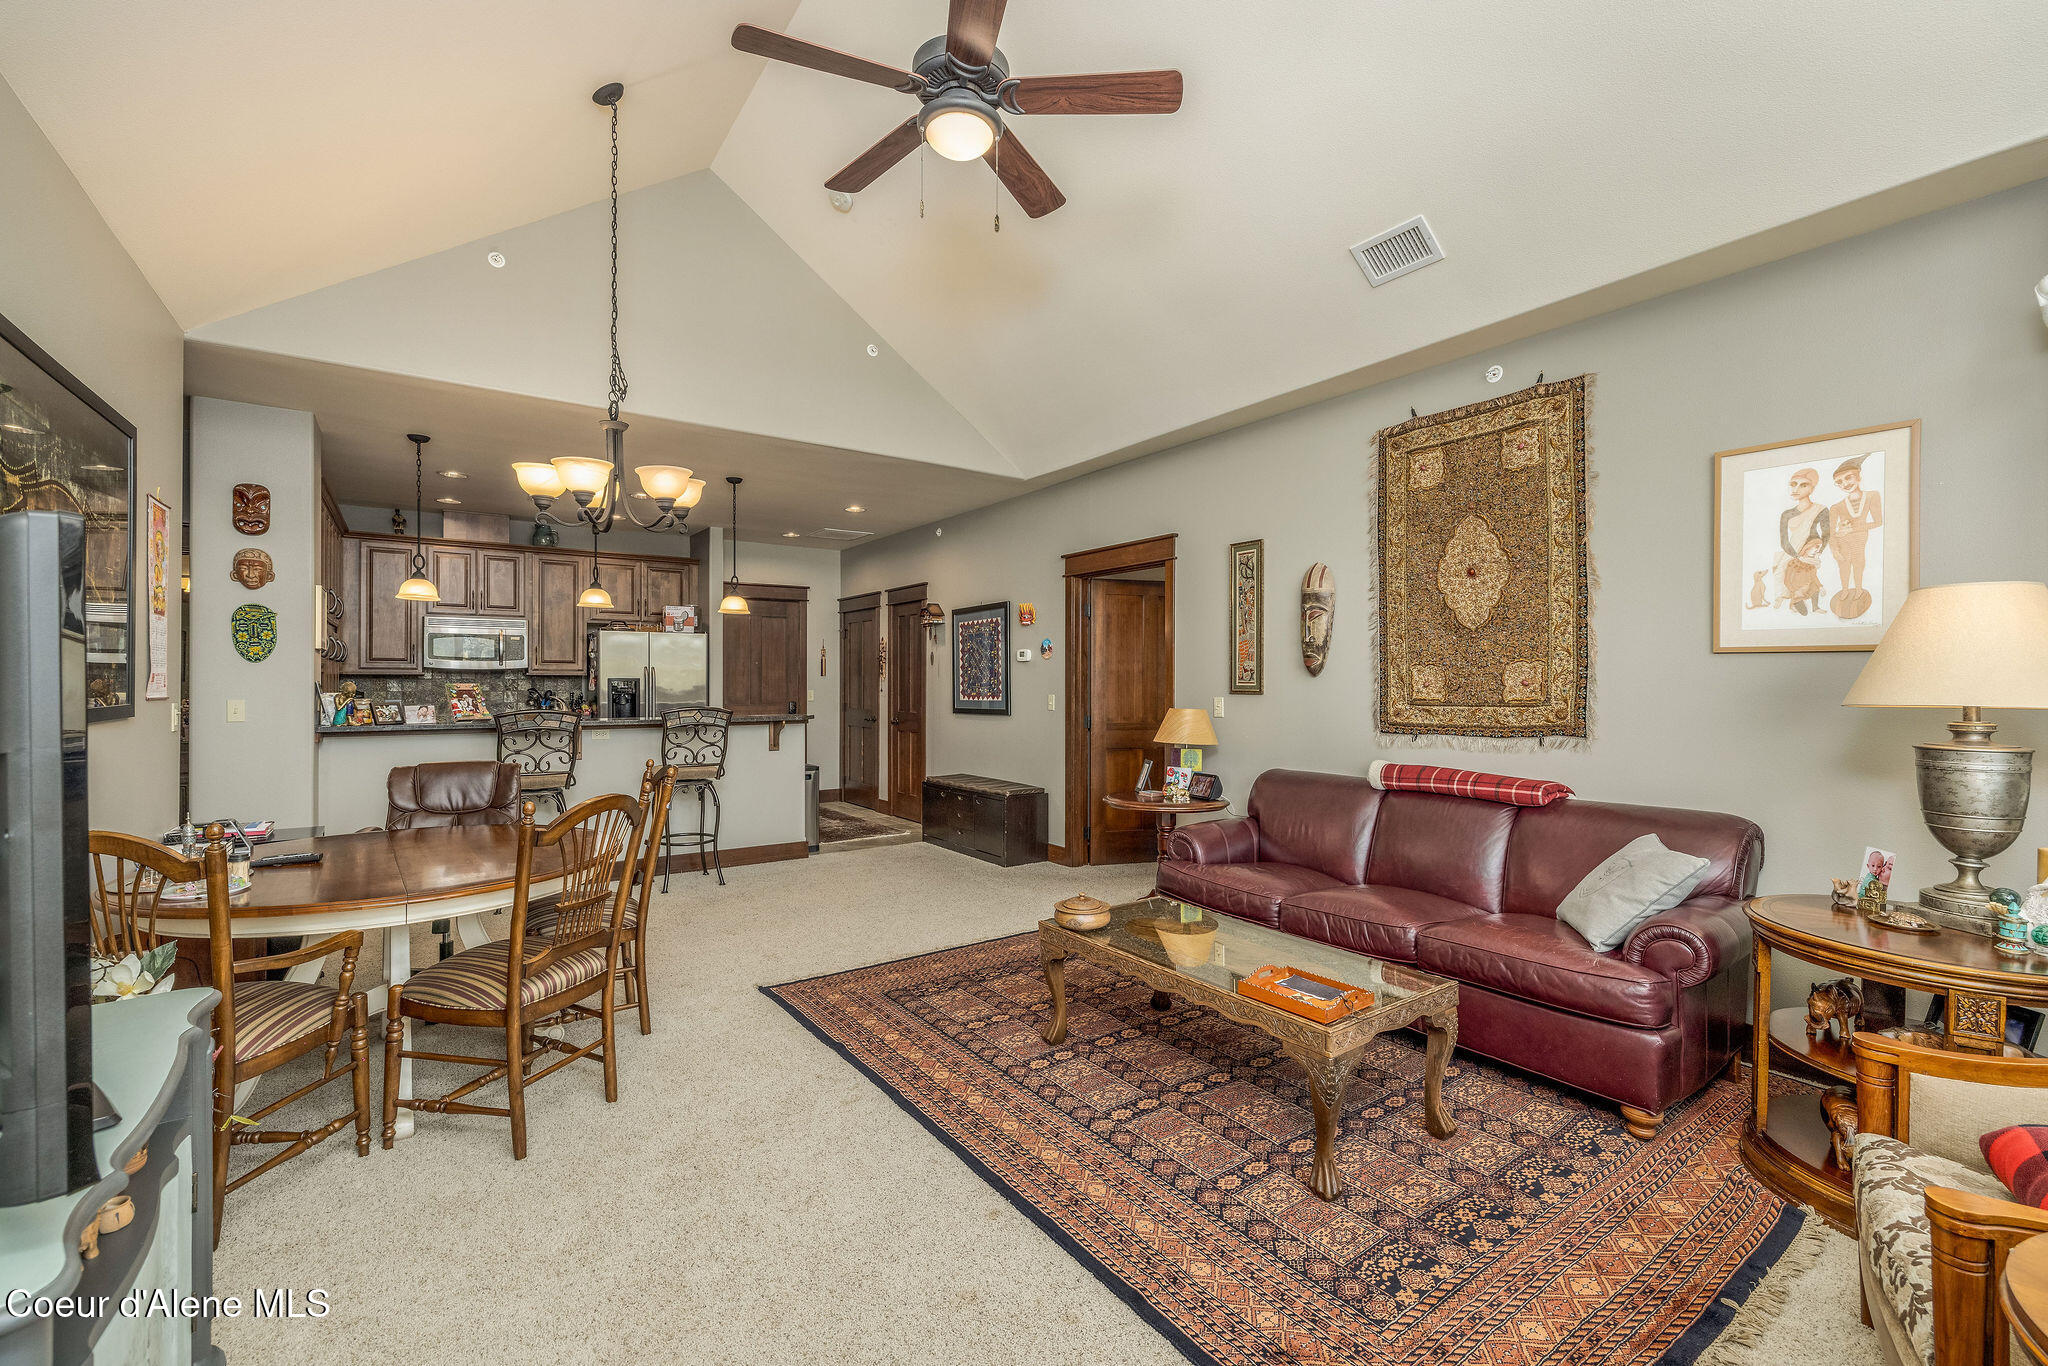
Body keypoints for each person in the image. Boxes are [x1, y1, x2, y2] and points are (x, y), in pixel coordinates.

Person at [1770, 467, 1832, 614]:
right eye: (1793, 484)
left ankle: (1812, 605)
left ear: (1813, 488)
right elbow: (1784, 541)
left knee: (1809, 579)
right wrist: (1797, 556)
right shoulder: (1787, 514)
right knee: (1788, 576)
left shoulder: (1820, 509)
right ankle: (1795, 601)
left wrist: (1817, 553)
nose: (1796, 489)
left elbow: (1826, 534)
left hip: (1811, 551)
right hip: (1793, 553)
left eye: (1803, 485)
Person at [1828, 454, 1883, 593]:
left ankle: (1859, 589)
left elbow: (1878, 522)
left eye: (1848, 477)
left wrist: (1852, 529)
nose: (1845, 484)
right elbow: (1830, 531)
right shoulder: (1836, 507)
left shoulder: (1872, 496)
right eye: (1839, 482)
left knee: (1859, 562)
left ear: (1858, 477)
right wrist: (1834, 550)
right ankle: (1845, 590)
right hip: (1843, 541)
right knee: (1844, 565)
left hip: (1859, 539)